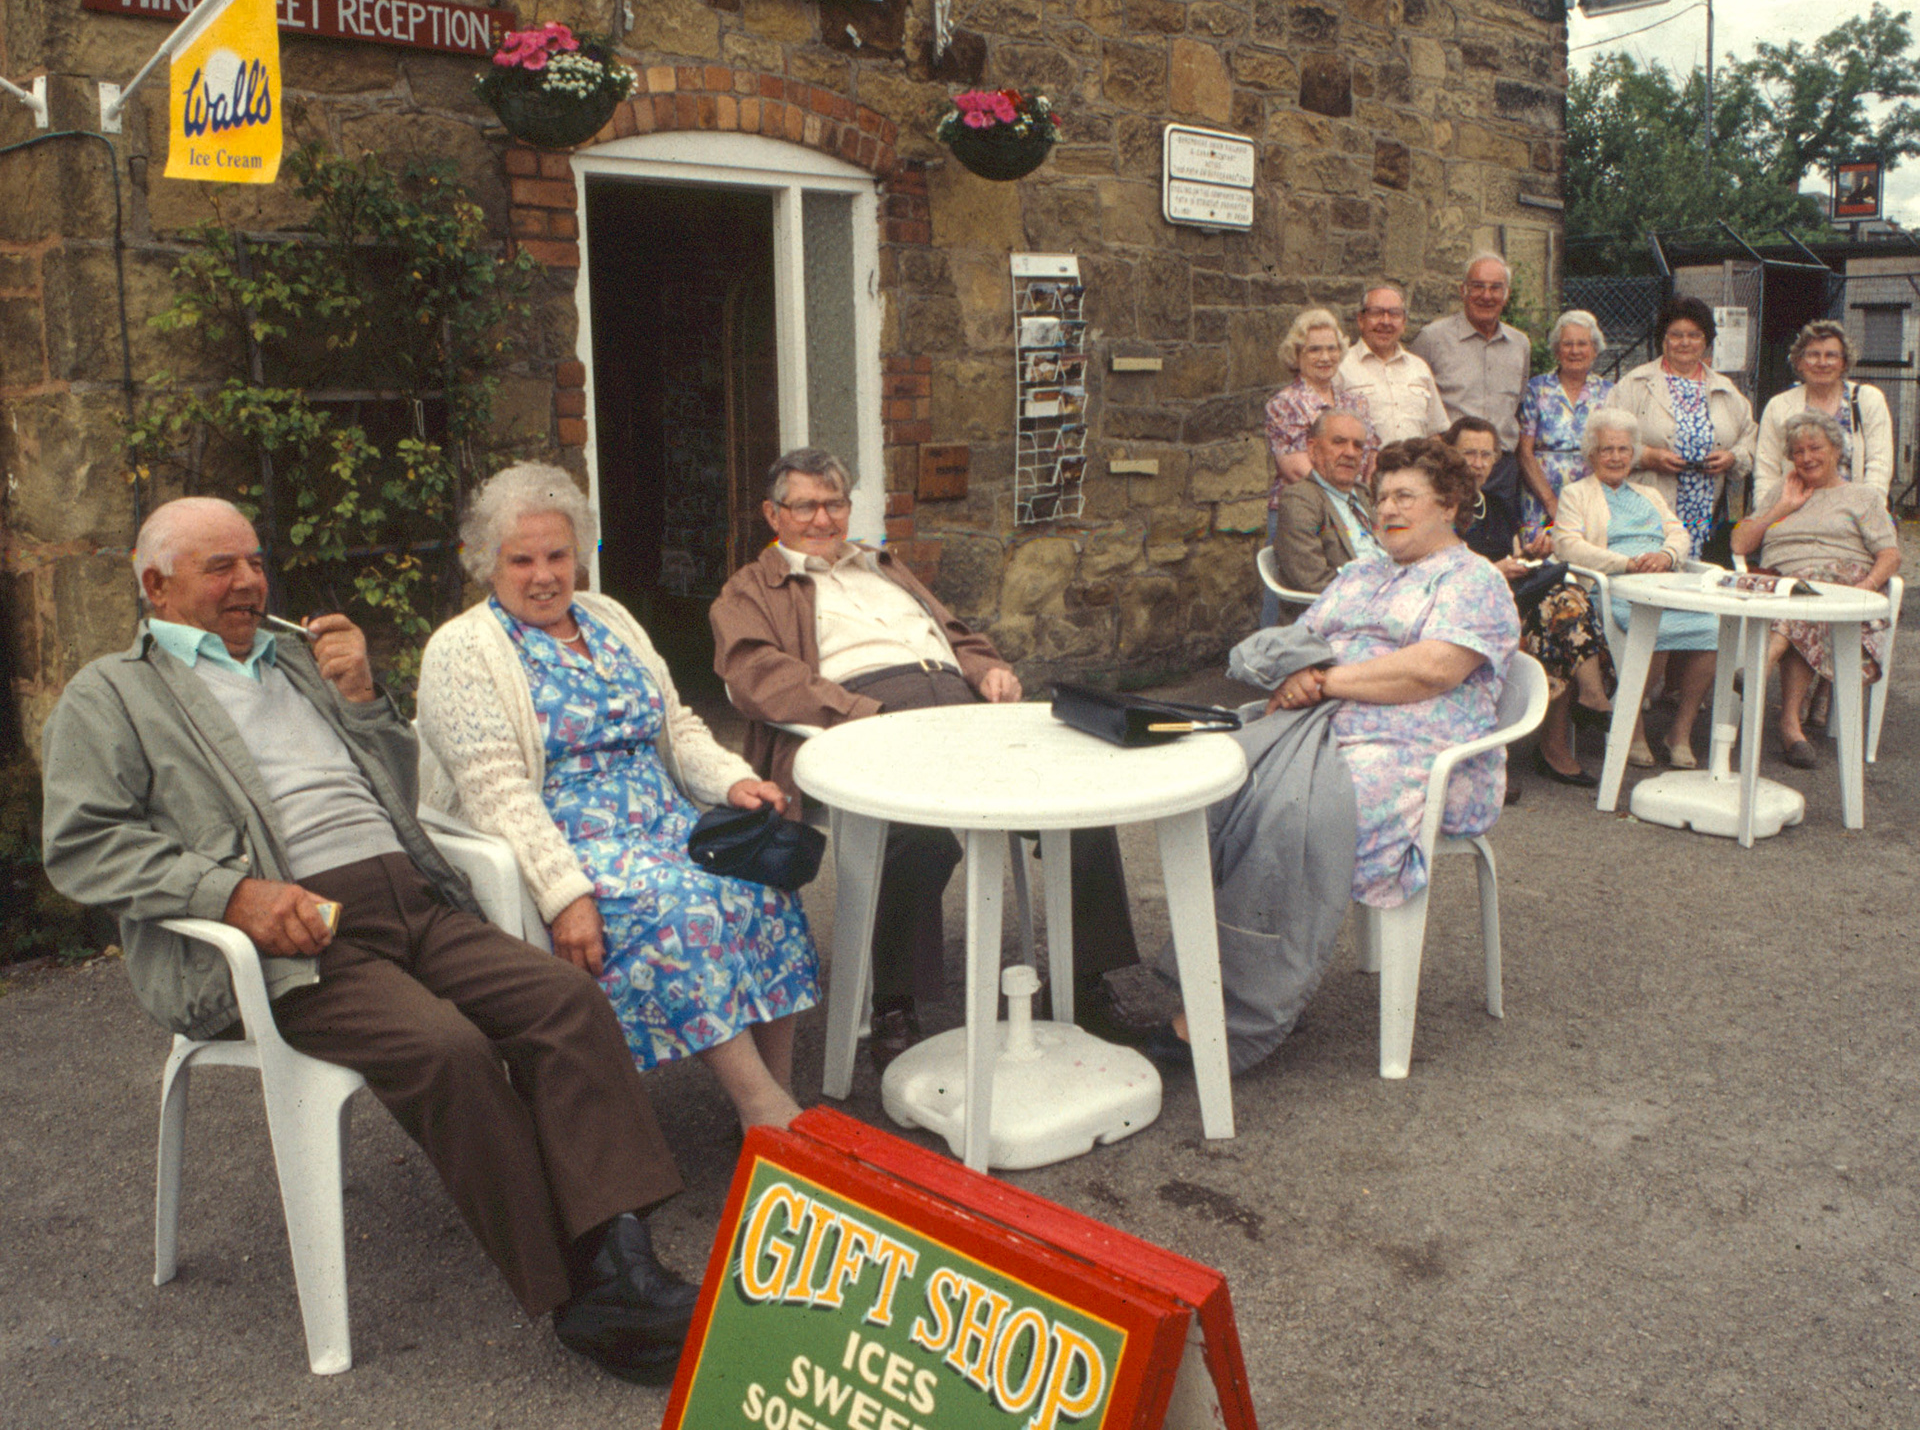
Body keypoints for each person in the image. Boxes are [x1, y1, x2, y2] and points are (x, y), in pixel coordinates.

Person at [40, 497, 699, 1385]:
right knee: (447, 1049)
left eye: (255, 561)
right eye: (220, 567)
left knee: (565, 1001)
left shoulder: (296, 664)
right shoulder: (113, 693)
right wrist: (230, 893)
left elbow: (405, 785)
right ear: (156, 585)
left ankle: (624, 1260)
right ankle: (577, 1294)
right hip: (292, 936)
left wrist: (363, 701)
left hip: (413, 898)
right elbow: (84, 843)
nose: (249, 581)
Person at [709, 447, 1145, 1067]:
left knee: (1077, 802)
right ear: (772, 514)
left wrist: (987, 668)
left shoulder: (881, 566)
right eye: (805, 505)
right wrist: (863, 715)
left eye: (834, 502)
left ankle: (1086, 985)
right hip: (864, 716)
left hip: (962, 708)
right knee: (917, 832)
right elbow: (755, 674)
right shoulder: (751, 588)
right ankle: (895, 1002)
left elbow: (957, 632)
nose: (823, 518)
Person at [417, 464, 817, 1133]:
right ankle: (767, 1114)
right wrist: (563, 892)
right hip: (572, 847)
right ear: (489, 562)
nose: (544, 574)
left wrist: (731, 780)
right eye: (522, 559)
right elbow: (497, 794)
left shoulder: (609, 618)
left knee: (766, 882)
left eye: (558, 555)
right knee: (691, 905)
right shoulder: (462, 651)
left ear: (580, 554)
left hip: (668, 825)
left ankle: (776, 1096)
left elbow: (676, 725)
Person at [1149, 437, 1521, 1072]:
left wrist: (1324, 679)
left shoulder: (1473, 580)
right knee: (1218, 782)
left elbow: (1432, 669)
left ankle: (1244, 1014)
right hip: (1326, 721)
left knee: (1296, 815)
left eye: (1406, 496)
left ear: (1450, 504)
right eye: (1381, 497)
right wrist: (1300, 671)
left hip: (1422, 745)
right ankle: (1209, 978)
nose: (1388, 509)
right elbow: (1303, 639)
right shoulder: (1360, 572)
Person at [1445, 419, 1613, 786]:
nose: (1477, 463)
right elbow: (1439, 568)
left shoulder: (1495, 503)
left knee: (1565, 601)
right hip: (1466, 605)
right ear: (1449, 455)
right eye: (1468, 453)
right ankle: (1577, 720)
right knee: (1560, 614)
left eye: (1485, 454)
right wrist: (1495, 569)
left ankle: (1585, 704)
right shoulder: (1440, 506)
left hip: (1511, 599)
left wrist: (1529, 554)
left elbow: (1512, 550)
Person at [1731, 411, 1902, 769]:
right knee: (1803, 598)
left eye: (1815, 448)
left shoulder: (1863, 497)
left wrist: (1866, 587)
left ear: (1836, 450)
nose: (1806, 457)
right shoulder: (1784, 488)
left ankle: (1760, 669)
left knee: (1812, 591)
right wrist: (1782, 507)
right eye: (1797, 451)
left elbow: (1889, 554)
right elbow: (1740, 544)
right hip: (1787, 584)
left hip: (1843, 582)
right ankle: (1790, 724)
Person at [1553, 409, 1717, 770]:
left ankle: (1680, 731)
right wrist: (1624, 563)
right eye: (1607, 449)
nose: (1615, 457)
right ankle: (1634, 729)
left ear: (1633, 454)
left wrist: (1666, 554)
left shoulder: (1650, 494)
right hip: (1613, 587)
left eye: (1623, 449)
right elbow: (1567, 545)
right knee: (1651, 626)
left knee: (1713, 629)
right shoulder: (1576, 494)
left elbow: (1678, 532)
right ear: (1592, 454)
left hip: (1662, 579)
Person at [1608, 295, 1758, 560]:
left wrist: (1732, 457)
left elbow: (1750, 440)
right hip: (1647, 506)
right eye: (1676, 335)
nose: (1685, 342)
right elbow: (1605, 440)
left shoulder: (1726, 390)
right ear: (1663, 339)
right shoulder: (1635, 384)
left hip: (1708, 510)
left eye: (1694, 335)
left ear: (1707, 341)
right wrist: (1645, 456)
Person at [1262, 309, 1376, 625]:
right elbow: (1298, 469)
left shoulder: (1355, 402)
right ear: (1296, 355)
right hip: (1305, 508)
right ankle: (1277, 662)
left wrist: (1360, 496)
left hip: (1351, 505)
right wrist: (1347, 488)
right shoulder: (1285, 403)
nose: (1325, 356)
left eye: (1332, 348)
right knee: (1292, 596)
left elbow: (1370, 456)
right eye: (1314, 349)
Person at [1409, 253, 1531, 516]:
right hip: (1451, 466)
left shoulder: (1520, 344)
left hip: (1502, 470)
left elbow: (1517, 402)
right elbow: (1417, 402)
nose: (1486, 296)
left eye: (1495, 288)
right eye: (1477, 286)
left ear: (1506, 294)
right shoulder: (1433, 339)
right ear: (1463, 290)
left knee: (1501, 546)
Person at [1755, 319, 1895, 510]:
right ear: (1800, 362)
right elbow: (1766, 471)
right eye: (1813, 355)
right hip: (1794, 516)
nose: (1822, 363)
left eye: (1831, 355)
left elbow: (1879, 465)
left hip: (1853, 514)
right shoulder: (1778, 406)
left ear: (1844, 363)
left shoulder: (1867, 399)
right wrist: (1766, 518)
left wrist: (1867, 514)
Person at [1269, 410, 1385, 612]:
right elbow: (1312, 580)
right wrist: (1383, 596)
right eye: (1339, 442)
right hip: (1344, 613)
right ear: (1313, 449)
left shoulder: (1362, 494)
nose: (1350, 452)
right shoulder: (1301, 499)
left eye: (1358, 445)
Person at [1517, 309, 1611, 539]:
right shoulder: (1536, 389)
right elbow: (1524, 451)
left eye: (1583, 344)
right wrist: (1551, 502)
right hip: (1539, 498)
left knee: (1585, 556)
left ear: (1595, 350)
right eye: (1567, 344)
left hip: (1589, 498)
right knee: (1539, 562)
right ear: (1557, 350)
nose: (1575, 351)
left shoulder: (1608, 393)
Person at [1336, 284, 1450, 444]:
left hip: (1414, 467)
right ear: (1361, 320)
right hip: (1364, 468)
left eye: (1394, 314)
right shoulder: (1341, 366)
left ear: (1403, 322)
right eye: (1376, 313)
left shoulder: (1419, 368)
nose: (1385, 321)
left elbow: (1435, 432)